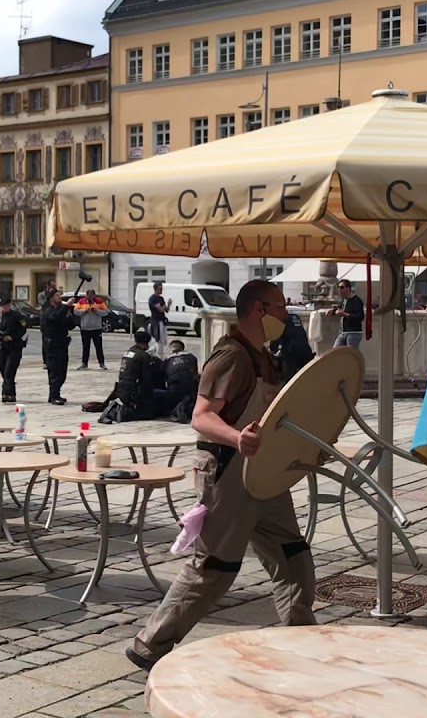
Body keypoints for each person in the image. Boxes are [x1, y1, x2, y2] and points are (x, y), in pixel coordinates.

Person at [129, 280, 315, 672]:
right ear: (258, 311)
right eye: (280, 307)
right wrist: (236, 437)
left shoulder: (262, 354)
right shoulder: (231, 357)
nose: (287, 315)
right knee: (213, 569)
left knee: (292, 554)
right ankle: (150, 645)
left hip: (264, 473)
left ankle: (303, 640)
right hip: (228, 473)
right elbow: (201, 417)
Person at [115, 330, 166, 421]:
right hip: (134, 393)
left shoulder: (129, 352)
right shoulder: (143, 356)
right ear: (146, 342)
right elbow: (147, 379)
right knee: (162, 396)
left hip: (122, 390)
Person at [41, 290, 73, 406]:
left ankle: (55, 394)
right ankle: (54, 395)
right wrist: (66, 307)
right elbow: (54, 318)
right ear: (51, 298)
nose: (59, 297)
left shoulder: (62, 310)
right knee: (54, 371)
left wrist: (70, 314)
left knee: (62, 371)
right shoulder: (48, 310)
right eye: (57, 295)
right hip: (52, 345)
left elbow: (70, 325)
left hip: (62, 344)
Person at [0, 296, 28, 404]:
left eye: (7, 305)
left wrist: (13, 337)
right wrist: (0, 336)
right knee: (3, 370)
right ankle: (9, 393)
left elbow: (23, 329)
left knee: (9, 370)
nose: (5, 308)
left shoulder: (17, 316)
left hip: (14, 347)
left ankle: (8, 393)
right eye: (3, 306)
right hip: (2, 346)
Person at [270, 309, 314, 384]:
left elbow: (275, 339)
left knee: (289, 380)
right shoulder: (295, 317)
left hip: (292, 351)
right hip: (306, 350)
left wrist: (272, 349)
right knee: (306, 376)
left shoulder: (281, 319)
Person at [163, 339, 200, 423]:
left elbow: (164, 375)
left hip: (174, 386)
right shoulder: (191, 357)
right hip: (189, 385)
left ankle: (177, 413)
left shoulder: (167, 360)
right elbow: (195, 373)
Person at [75, 289, 108, 370]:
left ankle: (101, 363)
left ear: (94, 295)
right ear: (86, 295)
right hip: (85, 328)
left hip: (96, 328)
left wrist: (96, 310)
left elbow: (106, 312)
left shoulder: (99, 301)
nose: (90, 297)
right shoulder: (81, 301)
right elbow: (75, 311)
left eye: (91, 295)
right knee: (85, 346)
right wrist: (84, 311)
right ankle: (84, 363)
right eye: (88, 295)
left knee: (98, 346)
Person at [329, 279, 365, 349]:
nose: (339, 290)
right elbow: (339, 308)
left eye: (342, 287)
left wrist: (344, 314)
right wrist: (332, 311)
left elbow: (360, 317)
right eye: (338, 287)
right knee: (335, 352)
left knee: (351, 355)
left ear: (348, 288)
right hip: (343, 332)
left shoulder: (356, 300)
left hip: (353, 333)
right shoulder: (344, 300)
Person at [36, 278, 57, 368]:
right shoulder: (41, 295)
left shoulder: (56, 294)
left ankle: (54, 359)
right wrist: (49, 295)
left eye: (54, 286)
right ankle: (46, 360)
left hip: (54, 318)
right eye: (52, 286)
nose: (53, 288)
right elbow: (43, 304)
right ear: (47, 286)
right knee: (45, 341)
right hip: (45, 319)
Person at [148, 282, 169, 359]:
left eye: (162, 289)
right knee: (158, 339)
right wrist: (164, 307)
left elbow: (165, 310)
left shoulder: (161, 298)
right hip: (156, 320)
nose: (161, 290)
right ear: (155, 289)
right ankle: (156, 355)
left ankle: (159, 354)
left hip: (162, 320)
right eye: (160, 289)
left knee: (163, 340)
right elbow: (160, 309)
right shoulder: (153, 299)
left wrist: (168, 305)